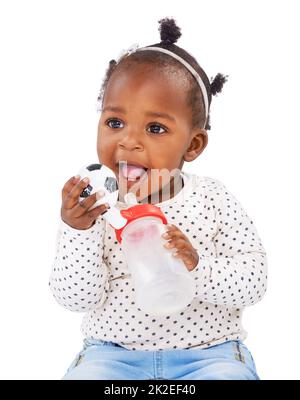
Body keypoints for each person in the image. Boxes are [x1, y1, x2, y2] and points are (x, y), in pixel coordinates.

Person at [49, 17, 267, 380]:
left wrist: (197, 266)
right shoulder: (95, 209)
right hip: (113, 357)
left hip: (208, 355)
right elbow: (75, 299)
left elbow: (253, 282)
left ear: (193, 145)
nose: (128, 141)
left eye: (155, 128)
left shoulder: (213, 199)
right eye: (115, 123)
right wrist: (77, 232)